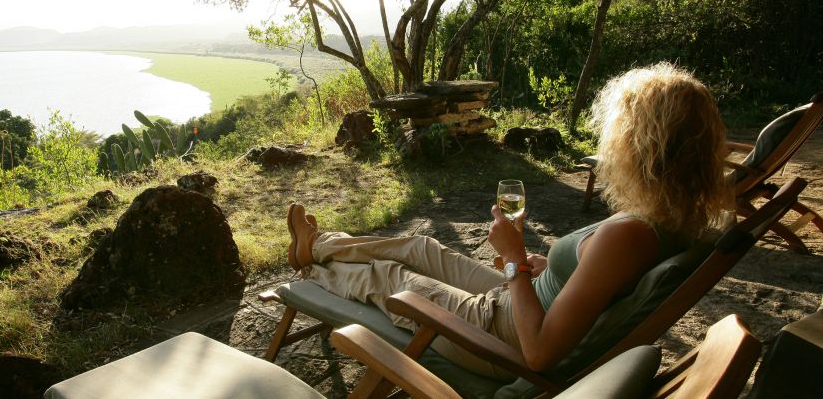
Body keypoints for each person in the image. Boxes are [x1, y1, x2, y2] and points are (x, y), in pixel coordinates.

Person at [285, 63, 731, 380]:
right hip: (522, 303)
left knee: (391, 277)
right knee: (422, 248)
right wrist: (545, 265)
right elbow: (596, 285)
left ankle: (314, 267)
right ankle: (321, 244)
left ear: (637, 145)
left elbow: (537, 354)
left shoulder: (629, 235)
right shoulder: (675, 216)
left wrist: (515, 260)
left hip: (501, 335)